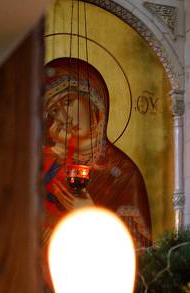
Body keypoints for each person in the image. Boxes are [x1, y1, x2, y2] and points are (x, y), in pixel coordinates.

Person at [43, 57, 152, 253]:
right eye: (54, 111)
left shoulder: (123, 173)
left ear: (92, 98)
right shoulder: (51, 169)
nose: (64, 118)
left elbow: (138, 252)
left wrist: (90, 216)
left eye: (68, 101)